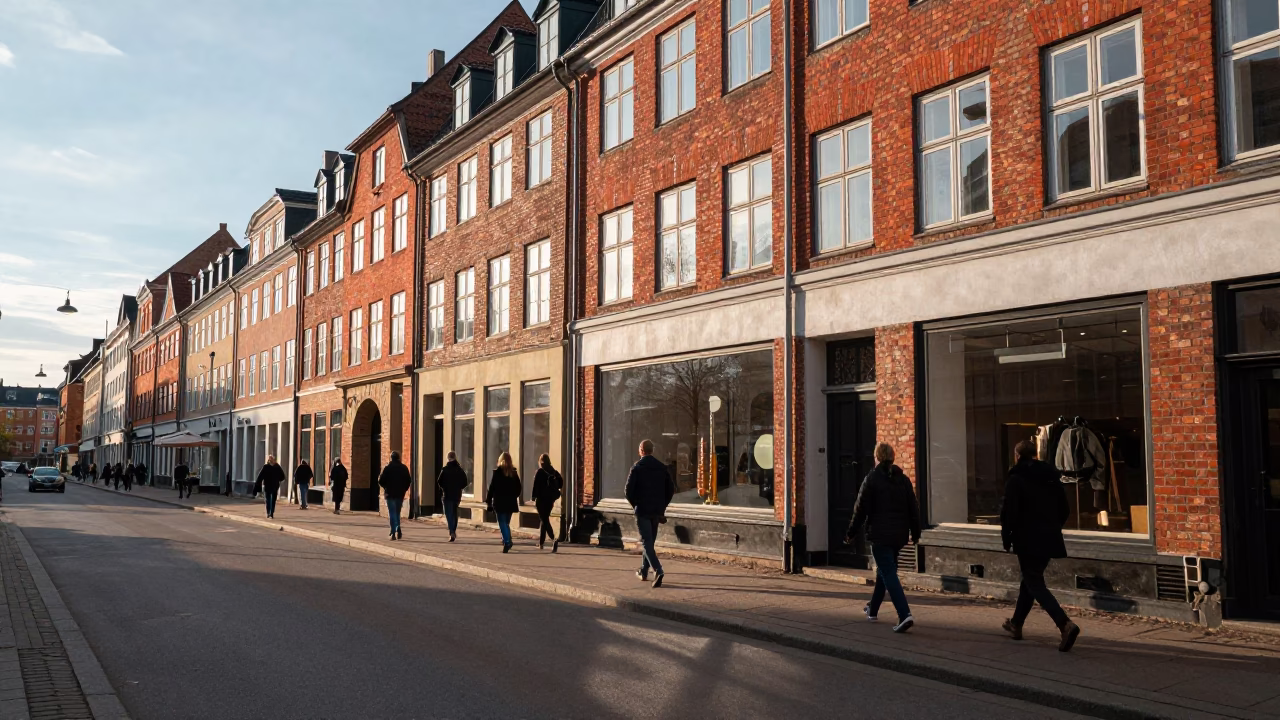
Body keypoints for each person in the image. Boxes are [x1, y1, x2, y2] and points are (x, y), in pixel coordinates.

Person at [1001, 440, 1082, 652]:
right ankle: (1016, 624)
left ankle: (1065, 624)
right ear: (1035, 454)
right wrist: (1053, 527)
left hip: (1027, 537)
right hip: (1049, 536)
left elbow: (1009, 512)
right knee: (1030, 579)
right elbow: (1064, 509)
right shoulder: (1051, 478)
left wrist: (1006, 536)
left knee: (1034, 581)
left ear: (1017, 456)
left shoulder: (1016, 479)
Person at [845, 442, 921, 634]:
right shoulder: (903, 480)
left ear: (877, 458)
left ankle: (904, 614)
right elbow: (914, 509)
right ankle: (873, 609)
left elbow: (860, 509)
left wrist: (850, 533)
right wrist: (916, 532)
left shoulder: (872, 479)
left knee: (888, 573)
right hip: (899, 536)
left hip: (880, 535)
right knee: (885, 571)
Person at [625, 439, 675, 588]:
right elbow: (671, 489)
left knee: (647, 543)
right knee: (650, 542)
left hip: (643, 510)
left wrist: (636, 504)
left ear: (641, 450)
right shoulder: (662, 468)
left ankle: (658, 570)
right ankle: (644, 571)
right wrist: (662, 506)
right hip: (656, 512)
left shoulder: (637, 468)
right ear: (652, 451)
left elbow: (627, 491)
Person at [485, 452, 522, 553]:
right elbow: (519, 488)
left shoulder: (497, 472)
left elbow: (492, 488)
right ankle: (506, 539)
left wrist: (488, 501)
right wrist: (514, 496)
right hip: (510, 502)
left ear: (500, 460)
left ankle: (507, 541)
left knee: (502, 523)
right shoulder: (513, 473)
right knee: (506, 523)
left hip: (500, 502)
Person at [531, 454, 563, 552]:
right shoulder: (554, 472)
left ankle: (554, 539)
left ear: (541, 462)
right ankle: (541, 543)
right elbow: (561, 482)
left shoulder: (540, 472)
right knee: (544, 520)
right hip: (550, 500)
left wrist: (533, 497)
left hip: (541, 500)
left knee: (544, 520)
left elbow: (535, 485)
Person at [377, 451, 412, 540]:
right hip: (400, 493)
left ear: (391, 458)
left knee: (392, 513)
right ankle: (397, 527)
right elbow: (408, 480)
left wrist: (385, 488)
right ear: (398, 458)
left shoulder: (387, 468)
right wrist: (404, 489)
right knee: (397, 512)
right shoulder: (404, 468)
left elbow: (380, 480)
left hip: (390, 493)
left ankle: (393, 531)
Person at [436, 452, 467, 542]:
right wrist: (459, 488)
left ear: (448, 458)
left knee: (448, 514)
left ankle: (451, 531)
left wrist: (444, 488)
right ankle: (453, 529)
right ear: (455, 458)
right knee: (454, 513)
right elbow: (465, 481)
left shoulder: (445, 469)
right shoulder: (460, 470)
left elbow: (439, 481)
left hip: (447, 494)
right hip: (457, 494)